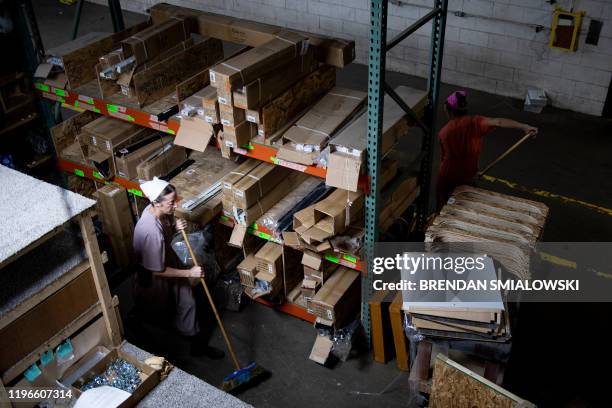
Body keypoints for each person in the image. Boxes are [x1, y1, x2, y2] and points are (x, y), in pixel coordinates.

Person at [132, 177, 224, 359]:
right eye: (171, 203)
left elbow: (167, 225)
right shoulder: (150, 231)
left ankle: (197, 346)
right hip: (153, 275)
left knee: (186, 302)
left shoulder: (155, 211)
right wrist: (189, 272)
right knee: (155, 308)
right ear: (156, 203)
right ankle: (134, 323)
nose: (175, 206)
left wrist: (174, 225)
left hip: (165, 262)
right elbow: (157, 270)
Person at [436, 90, 538, 210]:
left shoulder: (444, 132)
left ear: (450, 111)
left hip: (448, 177)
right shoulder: (475, 122)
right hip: (468, 176)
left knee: (443, 210)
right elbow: (498, 121)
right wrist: (525, 126)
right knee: (466, 208)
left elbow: (444, 158)